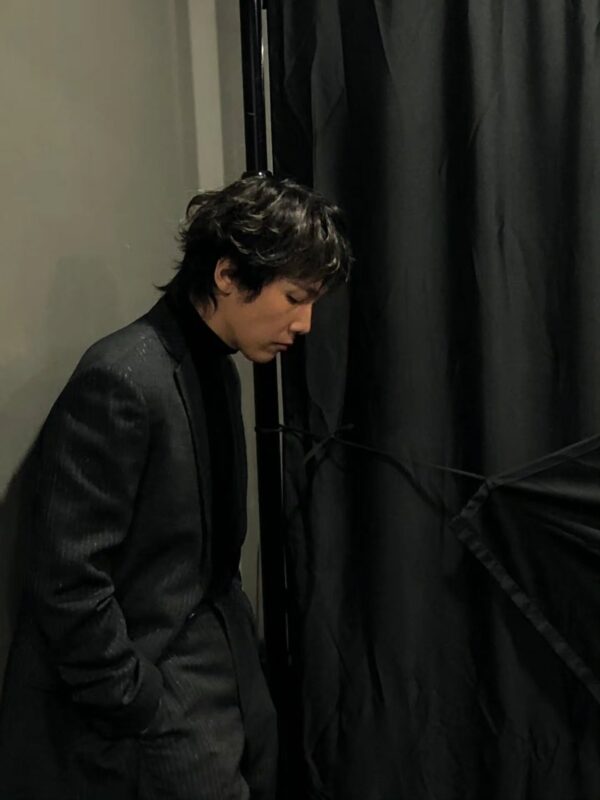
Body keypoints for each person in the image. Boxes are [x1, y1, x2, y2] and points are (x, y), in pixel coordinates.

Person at [0, 174, 352, 800]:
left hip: (220, 672)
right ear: (227, 275)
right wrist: (133, 697)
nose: (304, 323)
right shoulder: (124, 378)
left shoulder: (217, 368)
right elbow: (67, 578)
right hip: (153, 697)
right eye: (295, 297)